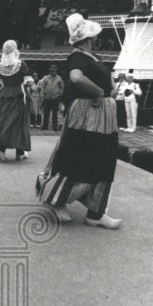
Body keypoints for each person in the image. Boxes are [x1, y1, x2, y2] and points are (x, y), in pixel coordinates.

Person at [36, 14, 121, 228]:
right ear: (89, 38)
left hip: (104, 115)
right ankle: (56, 199)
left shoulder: (95, 58)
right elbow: (76, 78)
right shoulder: (78, 57)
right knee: (79, 155)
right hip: (87, 113)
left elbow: (109, 82)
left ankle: (96, 212)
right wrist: (99, 91)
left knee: (105, 159)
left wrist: (112, 89)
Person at [0, 40, 32, 161]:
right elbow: (29, 81)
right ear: (15, 50)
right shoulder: (20, 64)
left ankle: (1, 148)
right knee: (19, 123)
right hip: (19, 95)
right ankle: (19, 151)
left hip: (5, 96)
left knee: (4, 121)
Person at [39, 65, 64, 131]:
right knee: (46, 112)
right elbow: (43, 87)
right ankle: (45, 126)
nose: (55, 72)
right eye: (53, 71)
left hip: (55, 97)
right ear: (50, 71)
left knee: (55, 113)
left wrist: (60, 94)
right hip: (47, 97)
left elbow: (62, 86)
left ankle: (55, 127)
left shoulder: (59, 78)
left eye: (55, 71)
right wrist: (42, 95)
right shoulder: (46, 78)